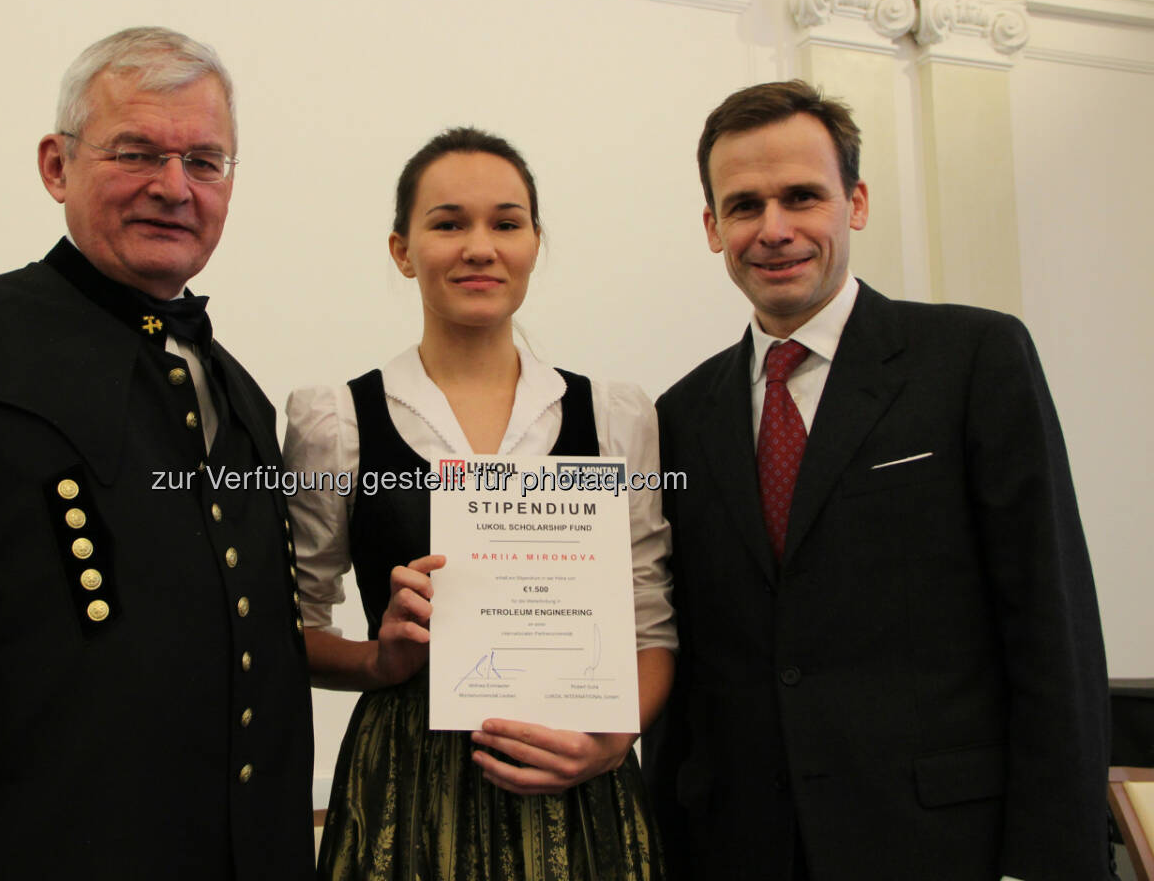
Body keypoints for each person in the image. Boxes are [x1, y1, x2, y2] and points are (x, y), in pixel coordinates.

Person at [0, 27, 314, 880]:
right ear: (55, 165)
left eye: (205, 162)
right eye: (137, 152)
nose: (173, 188)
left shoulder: (244, 399)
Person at [640, 80, 1109, 881]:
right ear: (714, 227)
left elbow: (1049, 624)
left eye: (802, 197)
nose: (775, 229)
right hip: (741, 848)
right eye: (746, 205)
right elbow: (691, 662)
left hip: (944, 847)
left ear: (854, 203)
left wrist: (1054, 859)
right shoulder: (679, 413)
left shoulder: (972, 360)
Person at [283, 127, 677, 881]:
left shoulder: (615, 415)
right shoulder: (338, 421)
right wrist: (378, 658)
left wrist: (613, 737)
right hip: (405, 781)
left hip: (576, 772)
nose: (479, 246)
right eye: (447, 223)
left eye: (505, 222)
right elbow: (291, 625)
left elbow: (650, 618)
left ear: (535, 241)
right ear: (402, 250)